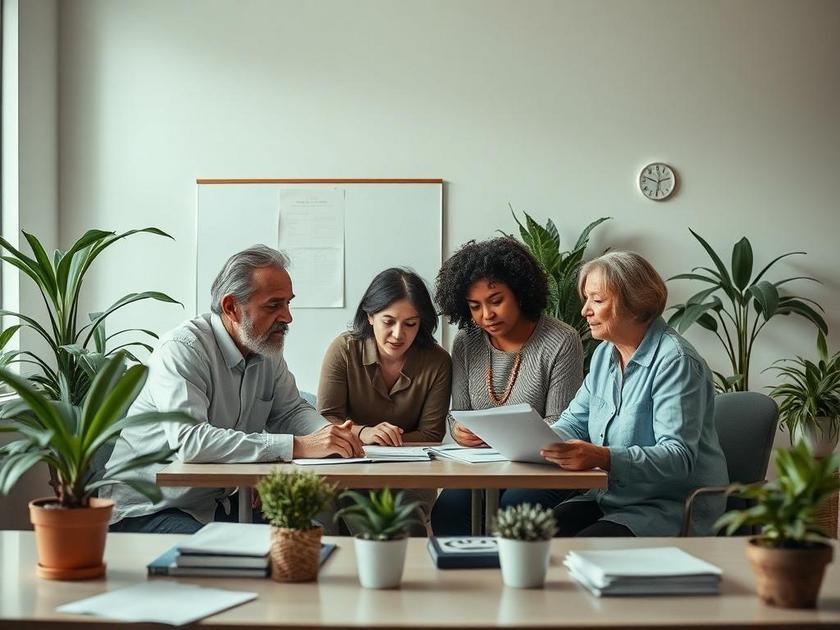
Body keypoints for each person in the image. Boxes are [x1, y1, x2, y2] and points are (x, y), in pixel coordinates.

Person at [103, 245, 364, 534]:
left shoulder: (266, 347)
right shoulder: (182, 349)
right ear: (231, 307)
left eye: (288, 303)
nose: (287, 317)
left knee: (308, 537)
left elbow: (290, 411)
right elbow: (191, 442)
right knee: (225, 552)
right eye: (273, 305)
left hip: (216, 506)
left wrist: (332, 437)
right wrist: (299, 445)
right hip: (148, 509)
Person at [541, 251, 729, 537]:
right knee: (534, 535)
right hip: (610, 498)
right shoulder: (605, 354)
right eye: (586, 299)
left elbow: (678, 457)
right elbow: (573, 423)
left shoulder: (676, 361)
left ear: (637, 305)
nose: (585, 311)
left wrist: (604, 458)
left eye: (598, 300)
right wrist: (528, 436)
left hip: (669, 506)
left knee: (579, 548)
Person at [430, 237, 584, 535]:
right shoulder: (466, 342)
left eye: (496, 300)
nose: (486, 315)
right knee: (448, 512)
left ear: (520, 293)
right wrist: (461, 431)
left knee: (515, 508)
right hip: (482, 466)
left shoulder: (562, 340)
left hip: (542, 466)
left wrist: (497, 437)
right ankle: (471, 580)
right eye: (474, 306)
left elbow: (561, 425)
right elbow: (457, 414)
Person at [318, 268, 452, 534]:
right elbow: (325, 419)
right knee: (322, 513)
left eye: (410, 324)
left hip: (408, 475)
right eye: (388, 321)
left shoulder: (437, 361)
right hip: (345, 467)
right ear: (370, 316)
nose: (398, 334)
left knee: (399, 524)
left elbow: (432, 435)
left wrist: (385, 440)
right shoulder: (343, 349)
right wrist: (365, 434)